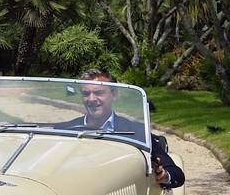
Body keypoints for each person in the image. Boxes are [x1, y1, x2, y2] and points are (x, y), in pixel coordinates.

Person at [54, 69, 185, 187]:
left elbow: (176, 174)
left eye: (99, 93)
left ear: (114, 94)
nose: (92, 99)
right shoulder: (65, 130)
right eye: (86, 93)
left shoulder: (136, 131)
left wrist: (163, 175)